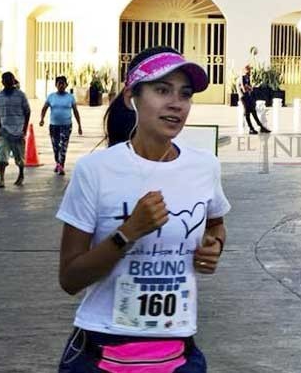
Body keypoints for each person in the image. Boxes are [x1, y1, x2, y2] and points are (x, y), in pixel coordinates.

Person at [56, 46, 231, 372]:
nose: (176, 103)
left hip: (178, 354)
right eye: (162, 90)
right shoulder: (95, 170)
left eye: (185, 94)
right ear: (131, 97)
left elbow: (216, 223)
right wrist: (128, 233)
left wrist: (215, 245)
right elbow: (69, 278)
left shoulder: (204, 166)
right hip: (101, 351)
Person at [0, 71, 31, 188]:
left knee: (19, 157)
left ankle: (21, 174)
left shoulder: (21, 95)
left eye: (10, 80)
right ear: (2, 82)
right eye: (5, 80)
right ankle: (2, 179)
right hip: (4, 132)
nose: (8, 82)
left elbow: (27, 111)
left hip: (18, 131)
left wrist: (24, 129)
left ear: (13, 81)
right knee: (2, 156)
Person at [39, 75, 83, 175]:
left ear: (66, 85)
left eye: (63, 84)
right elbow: (44, 108)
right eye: (59, 84)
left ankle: (61, 165)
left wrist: (79, 125)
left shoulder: (70, 97)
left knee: (63, 146)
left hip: (66, 126)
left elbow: (75, 111)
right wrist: (42, 119)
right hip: (54, 126)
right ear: (56, 85)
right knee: (55, 147)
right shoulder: (51, 97)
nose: (61, 86)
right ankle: (58, 163)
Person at [238, 65, 271, 134]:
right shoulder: (241, 78)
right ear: (245, 70)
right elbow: (244, 89)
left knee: (253, 111)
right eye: (248, 70)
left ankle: (261, 127)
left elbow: (249, 88)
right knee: (247, 112)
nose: (250, 71)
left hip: (248, 96)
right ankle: (251, 128)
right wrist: (249, 88)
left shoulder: (248, 77)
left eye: (250, 70)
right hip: (243, 97)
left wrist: (249, 88)